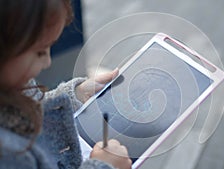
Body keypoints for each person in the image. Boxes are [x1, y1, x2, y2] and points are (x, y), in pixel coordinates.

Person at [0, 0, 132, 169]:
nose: (47, 61)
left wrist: (75, 94)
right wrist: (104, 165)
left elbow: (35, 106)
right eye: (39, 51)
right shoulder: (9, 154)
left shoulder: (15, 84)